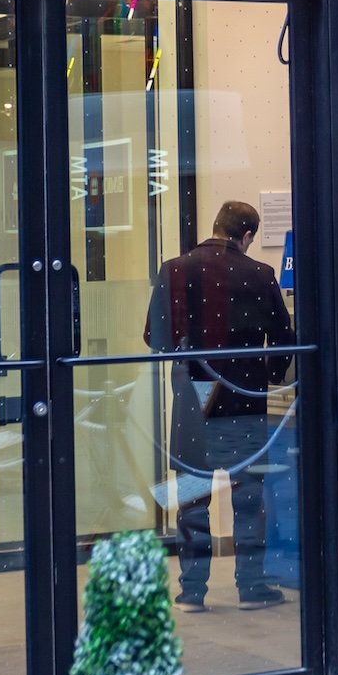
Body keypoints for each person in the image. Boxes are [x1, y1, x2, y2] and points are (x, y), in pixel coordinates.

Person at [145, 200, 295, 612]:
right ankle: (251, 587)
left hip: (191, 405)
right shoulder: (261, 274)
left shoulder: (174, 269)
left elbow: (154, 337)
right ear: (247, 236)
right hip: (244, 402)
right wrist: (274, 373)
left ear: (215, 227)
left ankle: (191, 592)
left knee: (192, 498)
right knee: (248, 496)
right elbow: (285, 338)